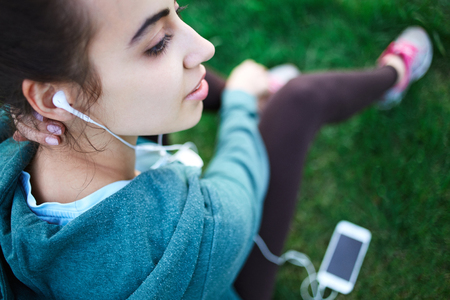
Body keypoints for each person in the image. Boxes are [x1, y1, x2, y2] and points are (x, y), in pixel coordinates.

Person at [0, 0, 432, 299]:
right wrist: (242, 102)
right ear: (51, 98)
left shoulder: (19, 133)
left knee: (184, 87)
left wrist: (12, 113)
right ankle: (393, 73)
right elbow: (241, 179)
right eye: (156, 43)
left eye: (176, 13)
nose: (204, 45)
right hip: (224, 275)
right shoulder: (178, 234)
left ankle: (255, 90)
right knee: (299, 101)